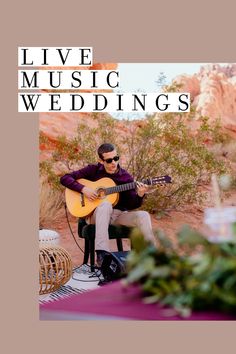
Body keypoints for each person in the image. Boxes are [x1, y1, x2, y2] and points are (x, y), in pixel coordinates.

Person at [60, 143, 157, 266]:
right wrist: (84, 189)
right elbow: (65, 178)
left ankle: (152, 255)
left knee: (143, 215)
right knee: (105, 205)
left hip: (118, 216)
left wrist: (140, 194)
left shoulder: (125, 177)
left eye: (116, 158)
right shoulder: (93, 170)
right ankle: (102, 254)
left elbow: (132, 204)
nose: (114, 163)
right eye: (109, 160)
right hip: (96, 215)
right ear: (101, 161)